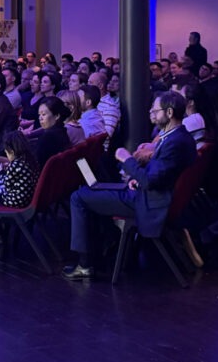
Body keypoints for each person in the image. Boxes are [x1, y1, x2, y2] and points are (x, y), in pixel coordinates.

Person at [63, 91, 197, 280]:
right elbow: (158, 175)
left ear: (169, 113)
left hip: (150, 202)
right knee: (92, 190)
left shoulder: (174, 141)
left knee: (79, 197)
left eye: (155, 109)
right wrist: (139, 176)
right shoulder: (178, 136)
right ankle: (106, 246)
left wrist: (127, 159)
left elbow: (150, 181)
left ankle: (85, 264)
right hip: (149, 195)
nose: (151, 111)